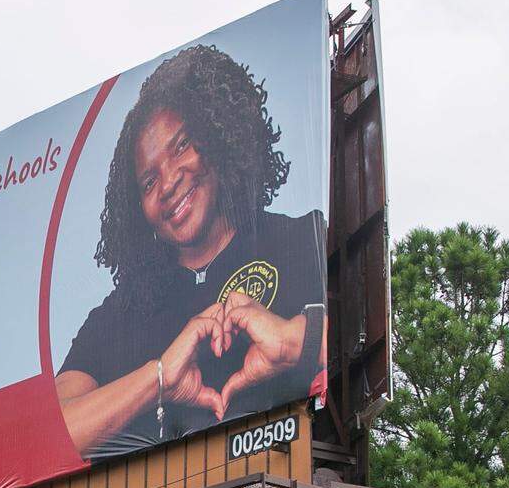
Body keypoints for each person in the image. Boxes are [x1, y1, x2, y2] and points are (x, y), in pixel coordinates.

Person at [56, 45, 326, 458]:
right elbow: (49, 436)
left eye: (181, 146)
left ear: (219, 136)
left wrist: (292, 340)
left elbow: (368, 344)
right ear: (136, 211)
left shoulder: (300, 239)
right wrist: (159, 378)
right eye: (148, 182)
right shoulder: (117, 316)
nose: (167, 184)